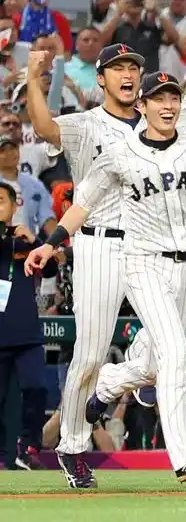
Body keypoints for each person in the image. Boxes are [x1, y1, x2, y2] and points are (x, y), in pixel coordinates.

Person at [24, 71, 186, 484]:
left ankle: (110, 384)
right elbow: (83, 204)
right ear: (142, 106)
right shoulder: (121, 152)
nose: (168, 105)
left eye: (173, 98)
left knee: (152, 363)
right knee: (168, 351)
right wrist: (53, 243)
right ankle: (181, 454)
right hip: (140, 259)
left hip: (185, 266)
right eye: (159, 98)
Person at [24, 44, 155, 489]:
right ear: (101, 78)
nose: (127, 73)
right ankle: (74, 446)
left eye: (133, 67)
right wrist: (32, 76)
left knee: (167, 345)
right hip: (98, 244)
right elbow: (42, 127)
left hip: (149, 247)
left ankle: (109, 387)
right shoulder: (85, 124)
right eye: (117, 67)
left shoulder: (154, 125)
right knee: (91, 353)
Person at [0, 181, 60, 471]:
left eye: (0, 200)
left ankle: (28, 447)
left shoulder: (25, 243)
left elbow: (50, 268)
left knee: (36, 388)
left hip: (26, 333)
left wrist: (35, 241)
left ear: (14, 206)